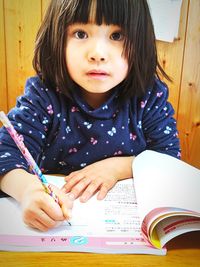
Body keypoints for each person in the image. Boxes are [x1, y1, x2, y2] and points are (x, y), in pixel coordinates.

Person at [0, 0, 180, 231]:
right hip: (57, 227)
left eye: (117, 36)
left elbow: (168, 159)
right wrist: (27, 190)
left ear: (140, 43)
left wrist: (117, 168)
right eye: (81, 33)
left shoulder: (149, 95)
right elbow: (5, 154)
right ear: (56, 39)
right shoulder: (43, 94)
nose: (97, 54)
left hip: (127, 230)